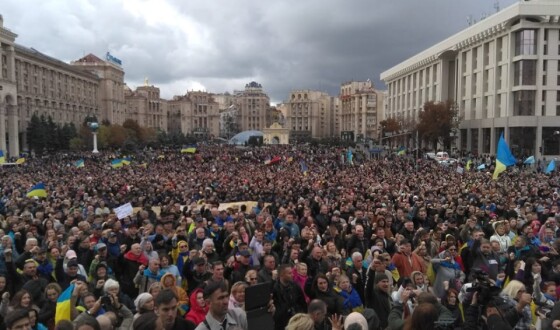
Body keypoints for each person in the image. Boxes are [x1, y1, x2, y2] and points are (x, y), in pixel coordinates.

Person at [272, 264, 307, 330]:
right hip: (281, 323)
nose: (292, 275)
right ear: (282, 275)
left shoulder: (295, 286)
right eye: (289, 273)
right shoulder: (275, 289)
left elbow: (302, 302)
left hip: (296, 319)